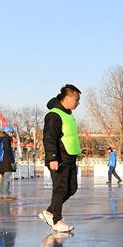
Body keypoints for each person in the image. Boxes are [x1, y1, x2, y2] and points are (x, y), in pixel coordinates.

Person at [40, 84, 82, 233]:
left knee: (72, 188)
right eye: (77, 100)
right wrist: (52, 157)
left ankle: (50, 212)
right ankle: (56, 221)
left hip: (70, 158)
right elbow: (49, 138)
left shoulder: (68, 114)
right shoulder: (54, 115)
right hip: (59, 159)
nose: (78, 103)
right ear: (68, 97)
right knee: (60, 189)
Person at [0, 126, 17, 200]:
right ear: (7, 132)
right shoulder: (7, 139)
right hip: (6, 161)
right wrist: (11, 161)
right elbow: (7, 151)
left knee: (3, 178)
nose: (12, 134)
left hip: (1, 162)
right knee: (7, 178)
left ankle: (2, 194)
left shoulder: (1, 140)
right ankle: (5, 195)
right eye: (11, 132)